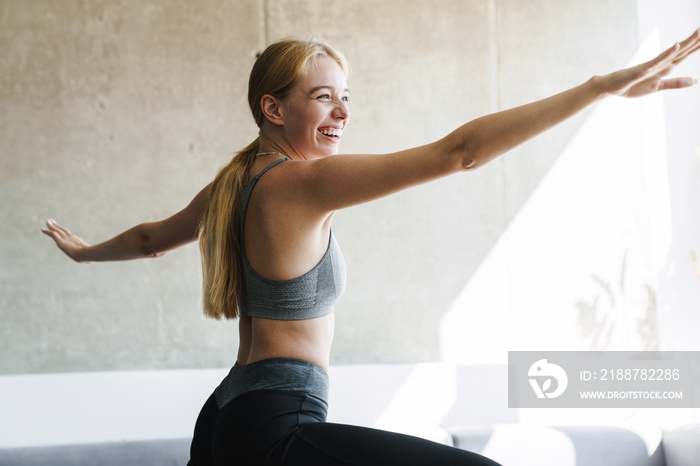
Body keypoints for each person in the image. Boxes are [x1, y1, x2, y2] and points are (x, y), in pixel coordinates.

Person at [42, 30, 700, 465]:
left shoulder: (230, 184)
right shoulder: (302, 182)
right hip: (277, 420)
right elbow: (459, 153)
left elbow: (153, 239)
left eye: (346, 98)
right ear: (274, 108)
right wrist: (596, 89)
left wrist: (85, 252)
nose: (342, 114)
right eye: (321, 97)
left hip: (228, 416)